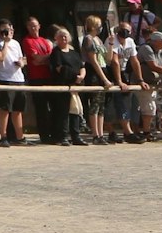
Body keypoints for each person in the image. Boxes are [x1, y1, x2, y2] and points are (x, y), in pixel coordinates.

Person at [79, 15, 117, 144]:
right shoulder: (88, 39)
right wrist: (104, 79)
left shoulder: (99, 40)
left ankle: (101, 134)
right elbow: (93, 61)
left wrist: (111, 43)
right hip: (94, 72)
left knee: (101, 105)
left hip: (103, 68)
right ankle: (95, 134)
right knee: (95, 104)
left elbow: (108, 58)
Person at [20, 16, 57, 144]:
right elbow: (36, 60)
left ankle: (54, 133)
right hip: (36, 78)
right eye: (30, 26)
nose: (33, 28)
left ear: (39, 26)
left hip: (49, 76)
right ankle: (45, 136)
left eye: (35, 25)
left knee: (52, 107)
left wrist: (45, 58)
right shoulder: (27, 41)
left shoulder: (44, 41)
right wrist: (49, 57)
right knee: (41, 109)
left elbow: (46, 58)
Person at [50, 25, 89, 145]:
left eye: (65, 36)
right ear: (56, 38)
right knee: (63, 112)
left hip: (76, 86)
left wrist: (81, 76)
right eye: (60, 36)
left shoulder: (74, 53)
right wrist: (74, 76)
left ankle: (76, 136)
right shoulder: (56, 53)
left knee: (76, 111)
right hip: (63, 86)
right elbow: (59, 69)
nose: (63, 38)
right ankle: (63, 136)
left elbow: (82, 67)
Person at [0, 19, 27, 145]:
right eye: (5, 30)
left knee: (18, 110)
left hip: (18, 79)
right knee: (4, 110)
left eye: (10, 30)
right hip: (4, 79)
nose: (8, 32)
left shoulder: (16, 43)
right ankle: (3, 136)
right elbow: (0, 57)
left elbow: (22, 58)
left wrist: (22, 62)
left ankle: (20, 137)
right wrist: (5, 43)